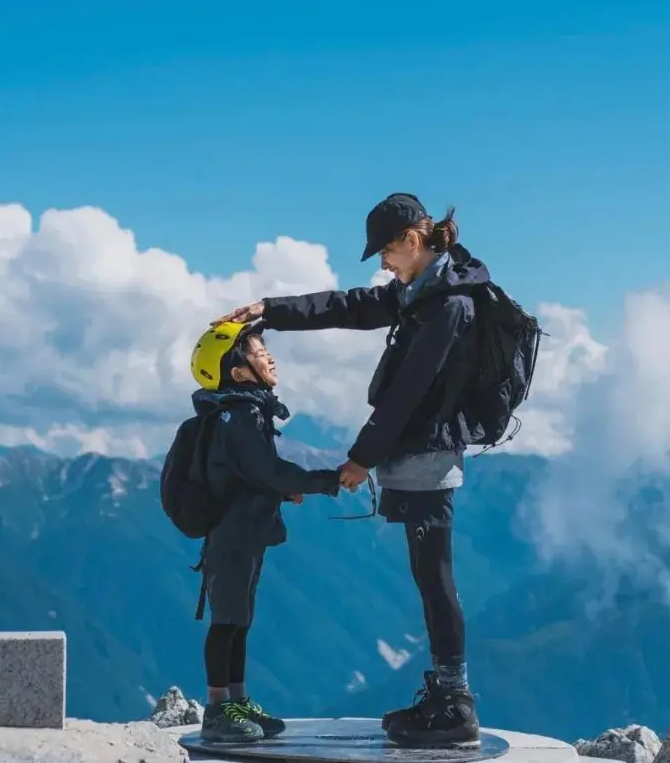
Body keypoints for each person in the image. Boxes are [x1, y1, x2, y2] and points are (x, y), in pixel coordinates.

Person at [221, 193, 487, 748]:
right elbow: (349, 306)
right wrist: (271, 309)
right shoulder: (421, 292)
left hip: (427, 456)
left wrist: (359, 459)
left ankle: (456, 706)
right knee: (427, 573)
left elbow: (407, 395)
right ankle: (445, 696)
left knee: (435, 575)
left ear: (414, 240)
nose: (384, 264)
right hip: (416, 452)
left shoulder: (447, 304)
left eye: (388, 251)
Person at [189, 321, 341, 744]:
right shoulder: (240, 415)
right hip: (234, 535)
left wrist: (282, 489)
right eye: (258, 352)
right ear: (238, 372)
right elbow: (267, 471)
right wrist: (326, 480)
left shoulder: (245, 412)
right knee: (226, 621)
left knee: (239, 620)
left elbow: (250, 477)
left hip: (244, 531)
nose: (269, 357)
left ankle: (236, 700)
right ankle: (217, 709)